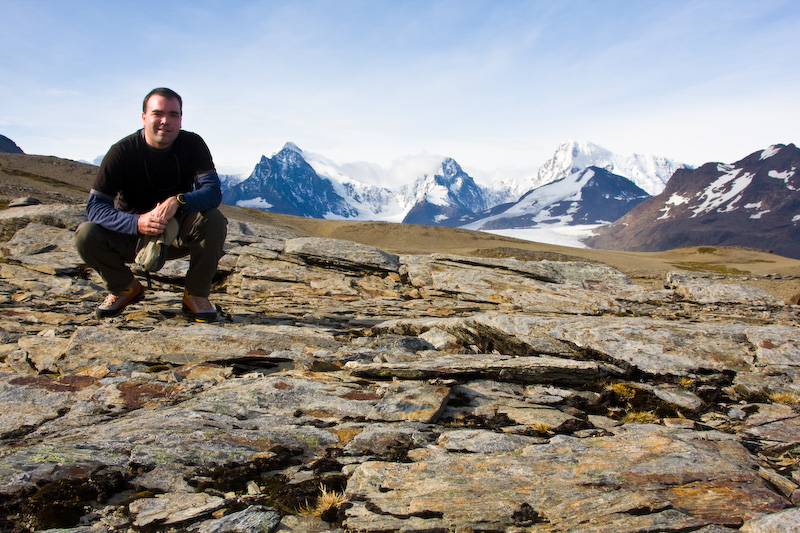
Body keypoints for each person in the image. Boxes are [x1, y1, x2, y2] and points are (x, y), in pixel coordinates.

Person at [74, 87, 227, 322]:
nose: (165, 121)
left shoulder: (192, 145)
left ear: (180, 119)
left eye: (173, 115)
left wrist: (179, 201)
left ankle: (196, 295)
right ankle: (124, 287)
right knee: (85, 234)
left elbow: (213, 191)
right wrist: (137, 223)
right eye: (158, 113)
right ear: (144, 117)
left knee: (214, 220)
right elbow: (96, 206)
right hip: (131, 237)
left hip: (175, 233)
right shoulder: (121, 152)